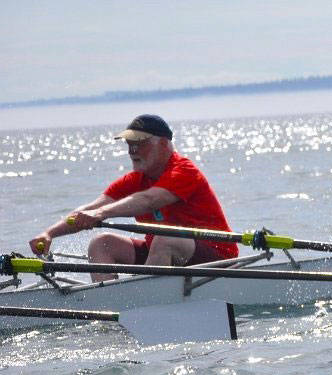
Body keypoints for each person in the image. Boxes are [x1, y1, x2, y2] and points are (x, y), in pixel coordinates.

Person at [29, 114, 238, 282]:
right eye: (129, 144)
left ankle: (141, 303)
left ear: (164, 144)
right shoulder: (134, 180)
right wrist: (49, 233)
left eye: (139, 144)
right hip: (164, 253)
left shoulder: (184, 171)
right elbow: (91, 209)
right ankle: (110, 306)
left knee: (163, 239)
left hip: (216, 258)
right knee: (101, 243)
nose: (132, 151)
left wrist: (101, 214)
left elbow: (150, 200)